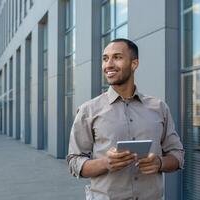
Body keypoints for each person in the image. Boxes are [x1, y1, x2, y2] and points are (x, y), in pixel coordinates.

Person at [66, 38, 184, 200]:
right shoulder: (88, 110)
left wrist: (160, 163)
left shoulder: (159, 108)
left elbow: (177, 155)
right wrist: (105, 163)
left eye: (117, 57)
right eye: (105, 58)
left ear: (134, 64)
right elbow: (74, 162)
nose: (109, 64)